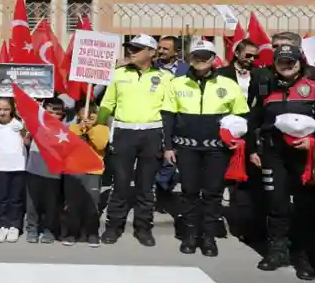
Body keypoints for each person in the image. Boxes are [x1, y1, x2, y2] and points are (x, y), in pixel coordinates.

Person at [248, 43, 315, 278]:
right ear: (274, 63)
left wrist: (314, 141)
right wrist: (253, 148)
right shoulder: (264, 83)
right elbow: (254, 118)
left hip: (306, 153)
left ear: (300, 62)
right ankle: (278, 250)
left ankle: (306, 255)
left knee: (307, 205)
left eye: (291, 61)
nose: (286, 65)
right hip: (274, 153)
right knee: (276, 202)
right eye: (281, 61)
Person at [162, 40, 249, 257]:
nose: (201, 60)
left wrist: (236, 138)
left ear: (213, 59)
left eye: (205, 56)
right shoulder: (177, 83)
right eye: (196, 56)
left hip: (217, 149)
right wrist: (168, 146)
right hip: (186, 148)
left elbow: (241, 115)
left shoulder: (228, 84)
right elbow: (168, 117)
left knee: (213, 193)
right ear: (190, 58)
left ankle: (208, 237)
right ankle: (190, 235)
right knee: (189, 192)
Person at [98, 34, 172, 246]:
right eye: (130, 48)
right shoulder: (118, 74)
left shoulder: (166, 77)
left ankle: (143, 228)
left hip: (152, 134)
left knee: (145, 186)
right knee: (120, 184)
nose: (131, 52)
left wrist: (167, 143)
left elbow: (168, 113)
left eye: (137, 48)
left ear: (151, 52)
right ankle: (113, 227)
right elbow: (107, 104)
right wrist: (98, 126)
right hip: (124, 133)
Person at [217, 39, 265, 243]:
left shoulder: (262, 76)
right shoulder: (221, 75)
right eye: (248, 55)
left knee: (248, 180)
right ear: (237, 53)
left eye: (255, 56)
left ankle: (248, 225)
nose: (252, 60)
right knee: (221, 178)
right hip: (225, 131)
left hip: (251, 133)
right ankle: (216, 221)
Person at [65, 102, 109, 248]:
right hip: (74, 170)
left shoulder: (102, 128)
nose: (88, 116)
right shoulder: (72, 127)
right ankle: (72, 232)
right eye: (84, 112)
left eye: (91, 112)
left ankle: (92, 233)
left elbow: (101, 144)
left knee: (92, 204)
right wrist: (80, 129)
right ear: (78, 114)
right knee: (73, 204)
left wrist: (90, 129)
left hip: (93, 171)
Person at [24, 97, 65, 244]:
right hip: (34, 170)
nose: (53, 116)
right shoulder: (36, 124)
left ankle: (49, 229)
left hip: (53, 174)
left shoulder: (65, 129)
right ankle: (32, 229)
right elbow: (26, 141)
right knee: (32, 203)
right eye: (49, 112)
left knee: (51, 203)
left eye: (58, 113)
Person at [0, 97, 27, 244]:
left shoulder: (19, 124)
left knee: (15, 199)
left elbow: (27, 141)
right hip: (0, 168)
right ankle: (3, 225)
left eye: (6, 109)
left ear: (12, 110)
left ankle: (15, 226)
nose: (2, 112)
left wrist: (24, 129)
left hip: (18, 167)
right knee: (1, 199)